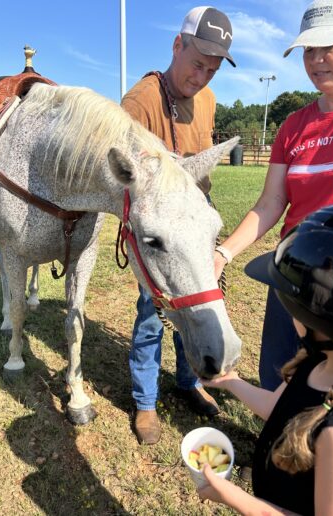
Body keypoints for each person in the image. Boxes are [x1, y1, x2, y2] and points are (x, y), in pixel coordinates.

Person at [214, 0, 333, 391]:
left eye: (328, 47)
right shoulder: (293, 126)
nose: (317, 59)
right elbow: (271, 203)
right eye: (309, 50)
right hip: (292, 271)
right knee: (279, 370)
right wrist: (223, 254)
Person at [121, 6, 236, 444]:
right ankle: (146, 401)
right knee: (155, 313)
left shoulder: (206, 99)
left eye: (212, 68)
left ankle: (189, 382)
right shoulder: (141, 101)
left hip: (195, 222)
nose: (202, 76)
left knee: (203, 305)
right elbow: (129, 180)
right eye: (197, 63)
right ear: (177, 45)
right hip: (164, 231)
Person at [199, 203, 333, 515]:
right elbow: (277, 408)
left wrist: (236, 498)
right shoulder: (314, 363)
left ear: (319, 323)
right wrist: (233, 383)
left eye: (290, 309)